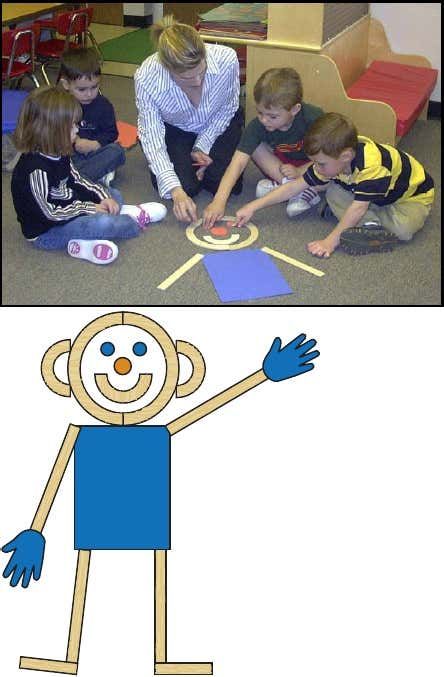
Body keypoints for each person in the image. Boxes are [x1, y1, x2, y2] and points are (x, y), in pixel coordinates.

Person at [233, 112, 435, 258]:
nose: (316, 168)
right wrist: (253, 207)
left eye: (320, 164)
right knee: (333, 194)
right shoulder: (333, 161)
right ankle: (369, 224)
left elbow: (358, 208)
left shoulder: (372, 167)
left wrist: (330, 241)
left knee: (404, 231)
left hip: (410, 197)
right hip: (365, 193)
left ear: (346, 156)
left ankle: (367, 224)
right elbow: (294, 186)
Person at [11, 87, 167, 265]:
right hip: (48, 231)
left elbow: (78, 180)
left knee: (112, 194)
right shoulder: (35, 169)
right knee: (103, 224)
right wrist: (89, 208)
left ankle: (83, 244)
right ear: (52, 131)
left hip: (70, 208)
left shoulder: (59, 151)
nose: (77, 130)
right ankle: (133, 220)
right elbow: (50, 213)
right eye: (72, 126)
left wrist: (103, 198)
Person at [134, 14, 244, 224]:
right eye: (186, 77)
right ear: (168, 69)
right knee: (186, 188)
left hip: (217, 122)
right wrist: (176, 191)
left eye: (201, 72)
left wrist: (202, 145)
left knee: (223, 183)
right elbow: (153, 135)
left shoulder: (227, 59)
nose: (196, 81)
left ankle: (190, 157)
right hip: (176, 128)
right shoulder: (147, 77)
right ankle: (172, 166)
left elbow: (228, 108)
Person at [202, 67, 324, 229]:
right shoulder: (257, 126)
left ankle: (292, 187)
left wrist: (301, 171)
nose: (264, 120)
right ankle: (296, 189)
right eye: (260, 113)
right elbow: (237, 163)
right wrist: (218, 200)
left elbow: (330, 157)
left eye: (272, 116)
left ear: (295, 109)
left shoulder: (313, 118)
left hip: (313, 165)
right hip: (282, 168)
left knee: (332, 170)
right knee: (254, 146)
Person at [58, 47, 125, 186]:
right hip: (69, 154)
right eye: (81, 89)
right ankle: (91, 176)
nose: (89, 94)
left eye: (94, 87)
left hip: (94, 151)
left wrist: (96, 144)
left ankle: (77, 180)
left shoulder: (103, 105)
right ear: (66, 84)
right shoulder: (60, 105)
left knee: (117, 151)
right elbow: (51, 133)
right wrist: (74, 141)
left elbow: (111, 133)